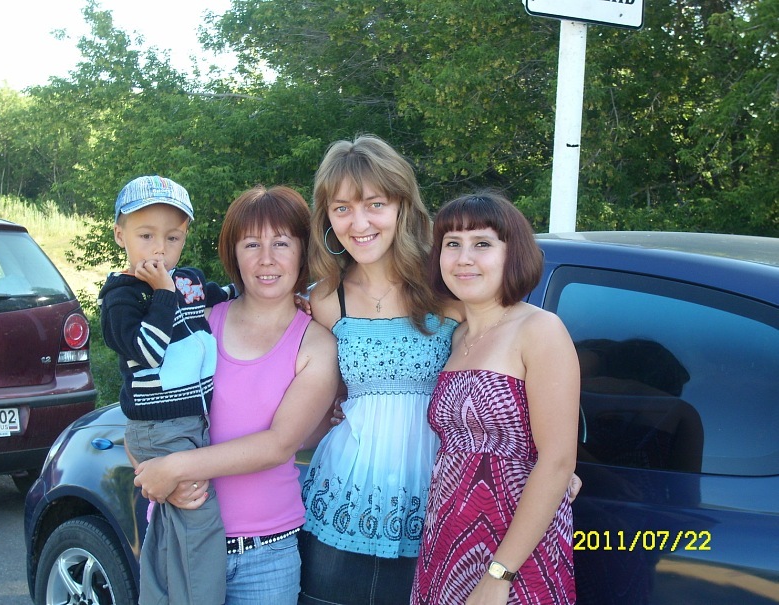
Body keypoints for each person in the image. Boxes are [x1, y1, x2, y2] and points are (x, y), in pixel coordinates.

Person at [132, 185, 340, 605]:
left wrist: (175, 467)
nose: (267, 259)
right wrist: (161, 479)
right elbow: (144, 418)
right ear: (234, 254)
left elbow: (278, 444)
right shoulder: (196, 323)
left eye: (281, 243)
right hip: (181, 541)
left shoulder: (316, 344)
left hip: (265, 557)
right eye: (251, 244)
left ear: (303, 251)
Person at [298, 134, 465, 605]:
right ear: (327, 217)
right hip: (342, 496)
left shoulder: (449, 287)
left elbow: (507, 370)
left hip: (436, 501)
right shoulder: (323, 299)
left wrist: (554, 458)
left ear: (402, 206)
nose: (359, 223)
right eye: (343, 208)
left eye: (375, 204)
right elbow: (307, 389)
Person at [411, 192, 580, 605]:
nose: (464, 258)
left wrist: (499, 573)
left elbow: (557, 462)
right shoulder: (457, 336)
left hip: (515, 552)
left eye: (482, 244)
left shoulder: (540, 329)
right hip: (445, 541)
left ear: (512, 253)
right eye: (452, 244)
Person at [98, 175, 234, 605]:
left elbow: (224, 295)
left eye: (172, 238)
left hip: (187, 422)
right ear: (120, 235)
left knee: (169, 530)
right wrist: (162, 294)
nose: (159, 249)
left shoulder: (187, 280)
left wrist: (283, 298)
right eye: (146, 236)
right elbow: (147, 352)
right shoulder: (122, 297)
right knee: (199, 524)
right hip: (160, 428)